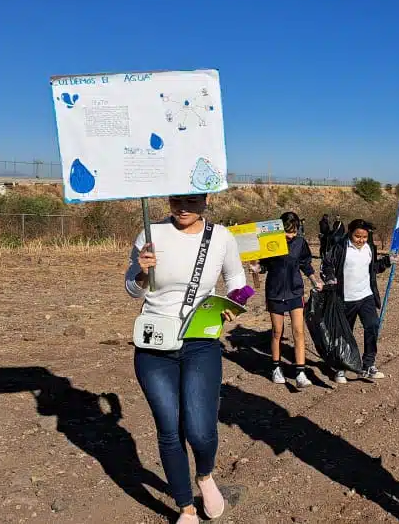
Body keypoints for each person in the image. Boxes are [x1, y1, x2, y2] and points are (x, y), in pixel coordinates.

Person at [126, 193, 246, 524]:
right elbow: (131, 288)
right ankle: (185, 508)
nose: (183, 208)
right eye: (177, 199)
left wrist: (232, 304)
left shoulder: (221, 237)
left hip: (200, 341)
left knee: (200, 430)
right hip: (153, 344)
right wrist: (140, 272)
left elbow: (238, 280)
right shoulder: (150, 233)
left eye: (192, 201)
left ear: (206, 200)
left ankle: (204, 475)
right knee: (168, 428)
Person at [254, 211, 323, 387]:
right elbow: (264, 266)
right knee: (277, 332)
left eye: (294, 231)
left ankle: (300, 372)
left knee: (299, 331)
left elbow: (305, 264)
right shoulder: (270, 242)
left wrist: (315, 281)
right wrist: (257, 268)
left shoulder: (300, 243)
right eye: (287, 231)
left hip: (295, 291)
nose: (290, 235)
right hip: (275, 292)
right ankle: (276, 368)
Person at [321, 218, 392, 383]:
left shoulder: (369, 248)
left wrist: (387, 262)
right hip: (345, 298)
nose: (361, 240)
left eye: (364, 237)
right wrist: (330, 278)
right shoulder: (340, 248)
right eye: (357, 236)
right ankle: (341, 367)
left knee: (373, 326)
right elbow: (327, 265)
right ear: (350, 234)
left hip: (366, 296)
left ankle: (368, 365)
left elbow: (373, 269)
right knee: (345, 334)